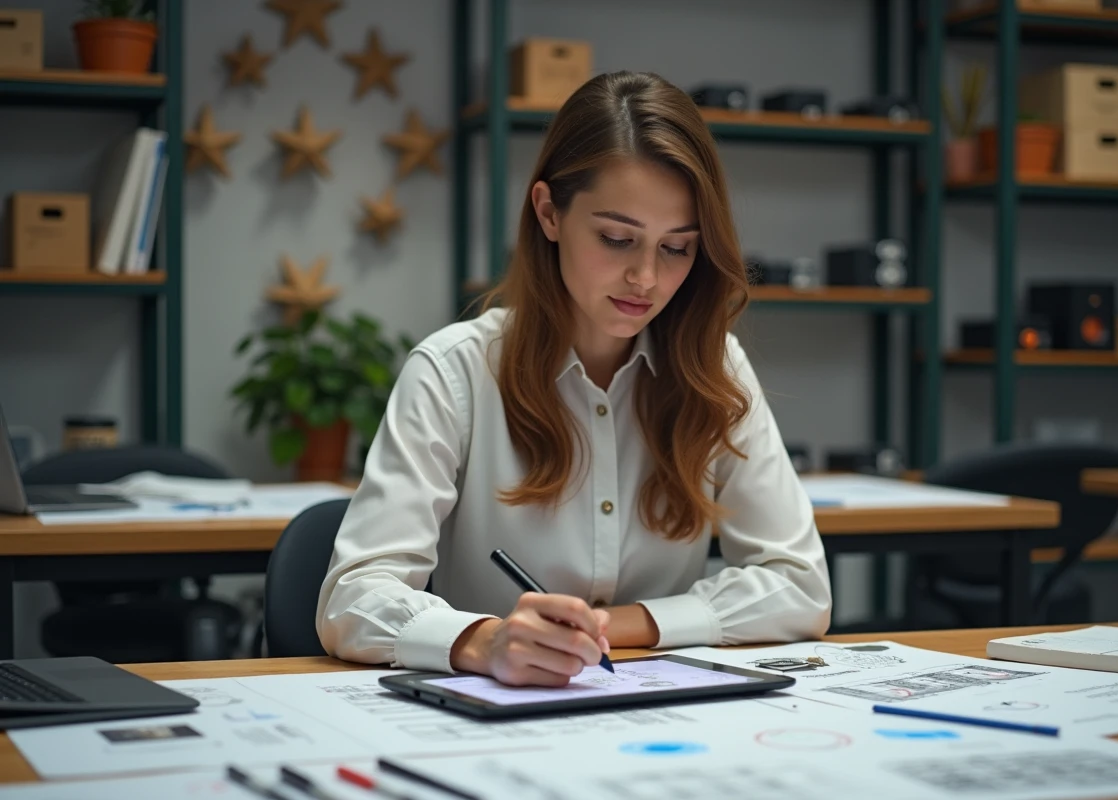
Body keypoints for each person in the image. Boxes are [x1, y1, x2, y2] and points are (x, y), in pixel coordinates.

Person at [316, 71, 831, 687]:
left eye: (677, 248)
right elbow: (351, 599)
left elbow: (799, 586)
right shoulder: (454, 371)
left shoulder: (714, 369)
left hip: (658, 704)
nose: (645, 277)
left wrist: (612, 626)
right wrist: (488, 641)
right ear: (548, 212)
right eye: (617, 238)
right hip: (498, 709)